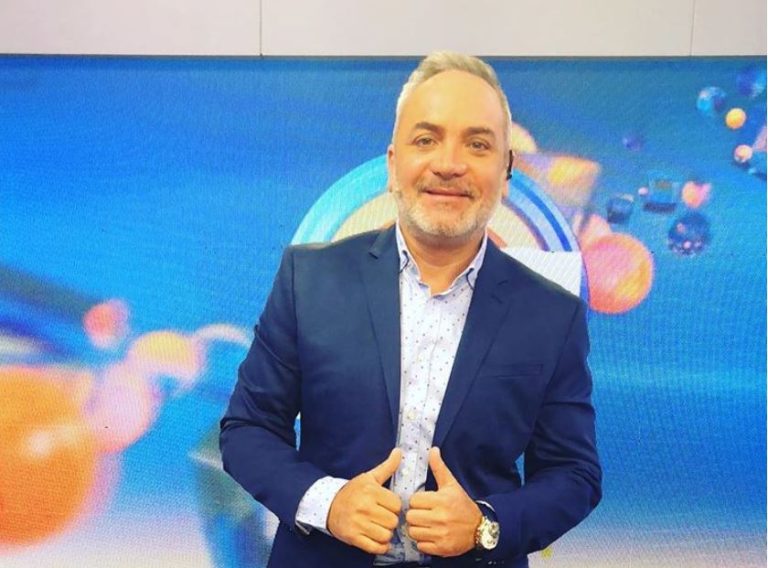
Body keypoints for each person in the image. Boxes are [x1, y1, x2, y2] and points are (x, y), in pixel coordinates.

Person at [220, 51, 601, 568]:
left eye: (478, 144)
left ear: (507, 170)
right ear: (392, 164)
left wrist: (485, 524)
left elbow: (574, 474)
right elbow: (248, 430)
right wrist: (329, 504)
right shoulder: (308, 278)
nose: (449, 163)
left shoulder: (552, 314)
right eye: (426, 140)